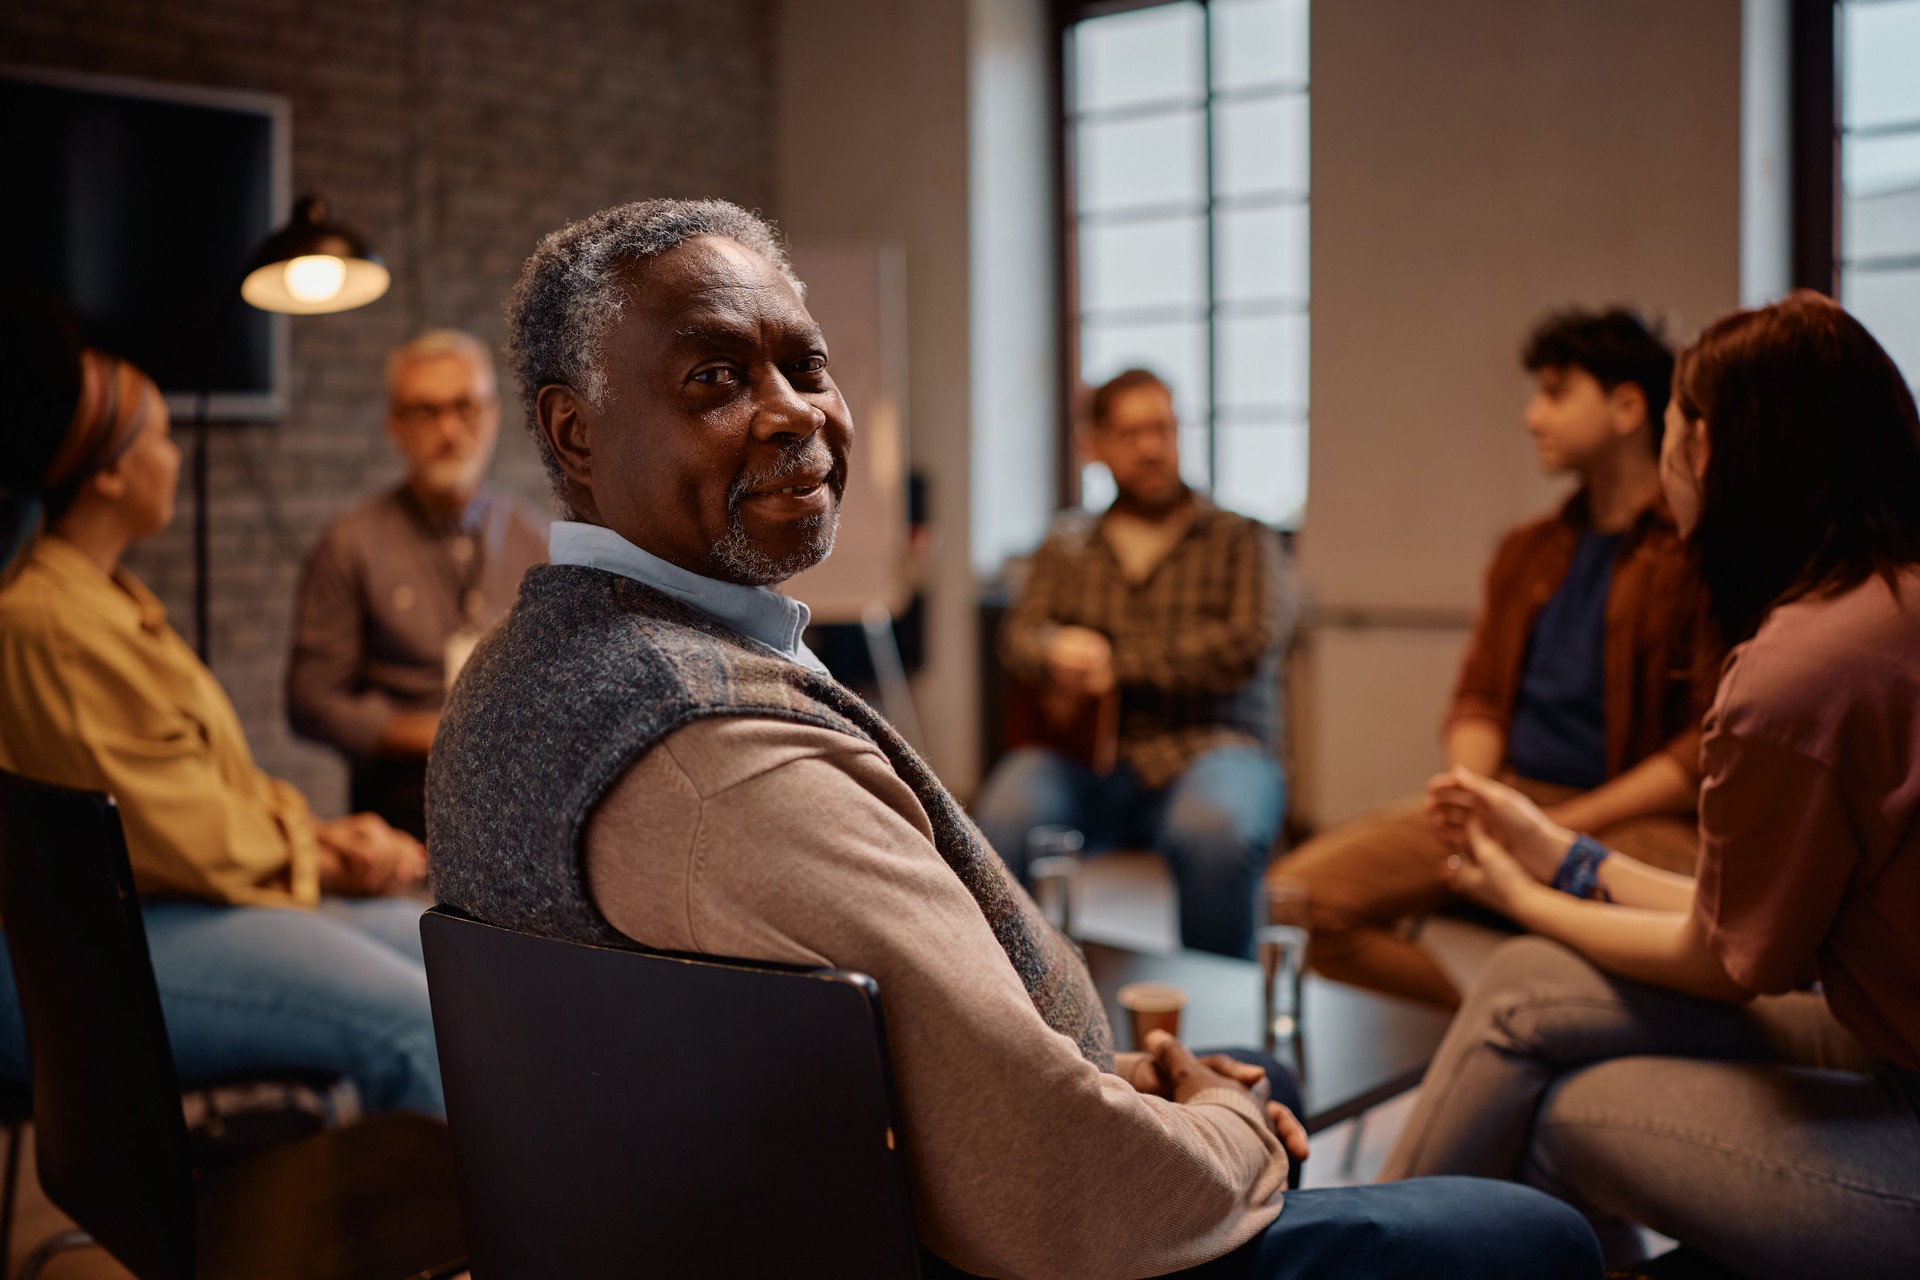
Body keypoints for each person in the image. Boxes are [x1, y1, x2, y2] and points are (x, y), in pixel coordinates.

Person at [427, 197, 1600, 1280]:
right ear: (574, 434)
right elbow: (1061, 1186)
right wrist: (1213, 1124)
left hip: (806, 1171)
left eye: (806, 361)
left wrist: (1117, 1075)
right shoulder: (714, 754)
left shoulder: (509, 679)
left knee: (1251, 1015)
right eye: (717, 376)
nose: (796, 409)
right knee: (1534, 1231)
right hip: (1017, 1236)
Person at [1383, 292, 1920, 1280]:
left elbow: (1728, 959)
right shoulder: (1886, 599)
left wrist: (1522, 891)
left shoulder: (1800, 667)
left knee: (1557, 1108)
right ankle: (1362, 1249)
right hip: (1876, 1025)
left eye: (1677, 419)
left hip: (1901, 1093)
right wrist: (1563, 852)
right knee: (1519, 984)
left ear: (1704, 447)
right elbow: (1760, 912)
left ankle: (1351, 1258)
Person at [0, 295, 443, 1116]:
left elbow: (194, 794)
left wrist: (317, 837)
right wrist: (326, 859)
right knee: (417, 1022)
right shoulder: (50, 625)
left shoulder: (104, 602)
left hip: (170, 902)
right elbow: (184, 843)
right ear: (108, 472)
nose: (177, 456)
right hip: (110, 953)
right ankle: (492, 1242)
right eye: (163, 436)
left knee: (447, 964)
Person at [1274, 308, 1710, 1008]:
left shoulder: (1693, 555)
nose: (1533, 416)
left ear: (1628, 406)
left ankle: (1531, 1036)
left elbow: (1703, 749)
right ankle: (1478, 1028)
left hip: (1640, 822)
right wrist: (1472, 797)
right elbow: (1479, 693)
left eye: (1557, 392)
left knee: (1588, 955)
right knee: (1295, 899)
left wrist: (1564, 828)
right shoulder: (1529, 549)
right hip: (1516, 795)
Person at [973, 368, 1291, 959]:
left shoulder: (1240, 538)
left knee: (1215, 831)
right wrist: (1053, 651)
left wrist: (1118, 664)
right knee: (1006, 812)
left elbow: (1245, 645)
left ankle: (1222, 1007)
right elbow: (1018, 637)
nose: (1152, 447)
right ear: (1094, 445)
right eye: (1133, 433)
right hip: (1091, 759)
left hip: (1215, 747)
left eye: (1164, 429)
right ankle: (1016, 991)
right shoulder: (1066, 545)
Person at [287, 329, 548, 838]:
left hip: (522, 812)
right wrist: (426, 733)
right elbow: (311, 702)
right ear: (394, 426)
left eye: (464, 407)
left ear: (492, 415)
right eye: (426, 411)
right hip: (402, 817)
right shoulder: (350, 545)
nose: (449, 429)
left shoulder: (536, 540)